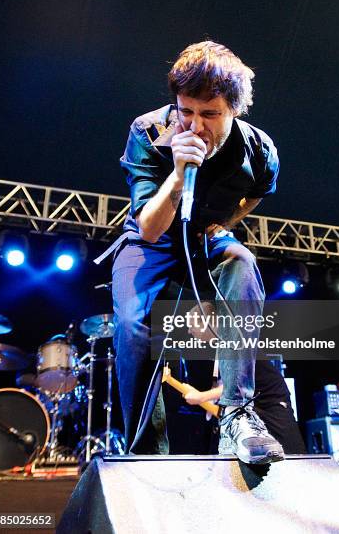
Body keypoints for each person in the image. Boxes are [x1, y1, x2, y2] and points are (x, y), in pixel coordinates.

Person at [107, 40, 282, 464]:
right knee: (133, 326)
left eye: (210, 114)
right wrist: (180, 174)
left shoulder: (260, 150)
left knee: (242, 261)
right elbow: (148, 228)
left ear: (234, 111)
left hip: (206, 238)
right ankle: (145, 448)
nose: (195, 125)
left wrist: (230, 225)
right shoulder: (148, 131)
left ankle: (238, 417)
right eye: (186, 111)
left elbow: (257, 194)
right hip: (151, 241)